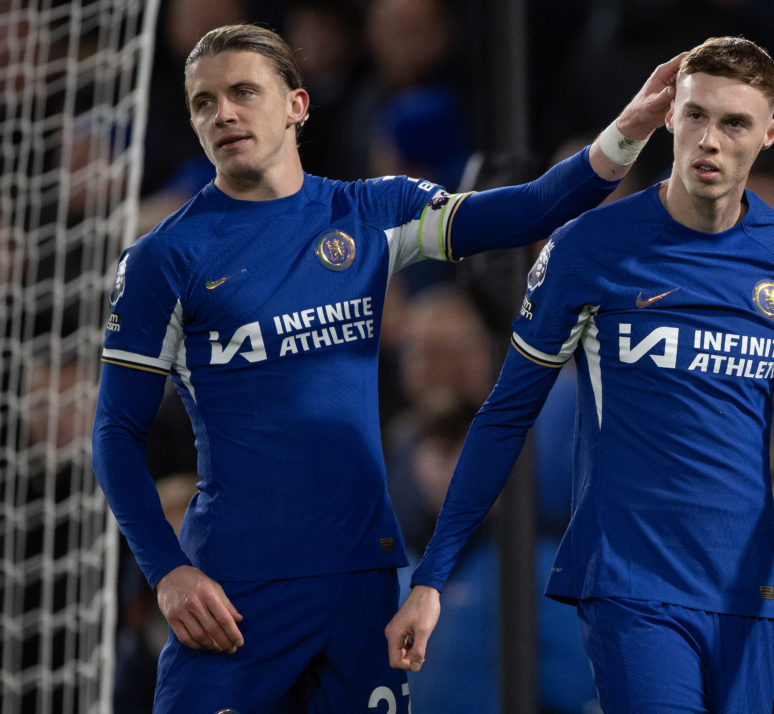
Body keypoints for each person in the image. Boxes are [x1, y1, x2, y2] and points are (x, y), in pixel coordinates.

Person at [90, 23, 681, 713]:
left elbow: (527, 211)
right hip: (235, 590)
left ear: (297, 105)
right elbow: (114, 433)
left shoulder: (370, 214)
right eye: (203, 102)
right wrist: (168, 573)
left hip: (362, 581)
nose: (223, 113)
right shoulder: (165, 260)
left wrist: (627, 132)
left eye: (244, 92)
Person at [386, 36, 774, 713]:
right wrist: (433, 575)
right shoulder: (590, 248)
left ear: (769, 134)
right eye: (697, 115)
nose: (710, 140)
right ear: (670, 117)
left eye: (734, 123)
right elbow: (506, 414)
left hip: (747, 589)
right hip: (629, 583)